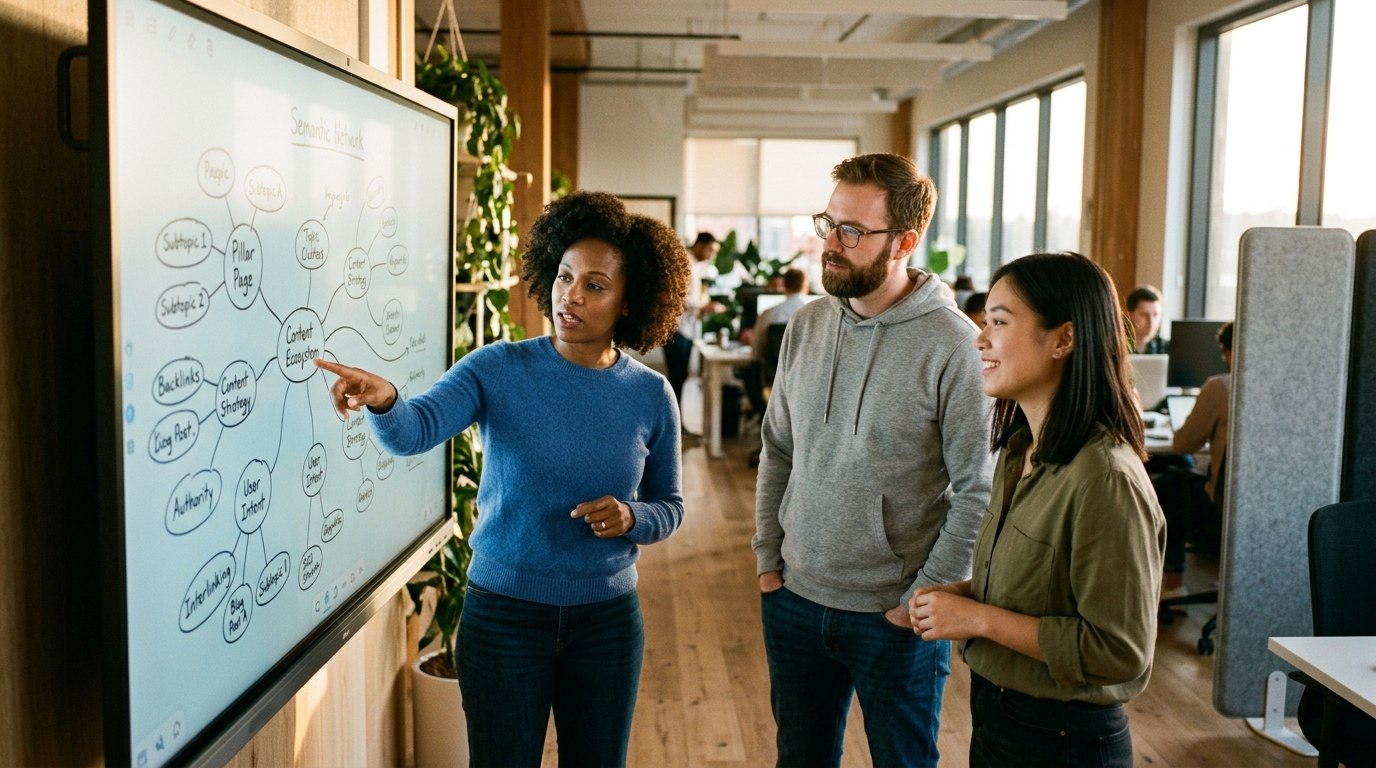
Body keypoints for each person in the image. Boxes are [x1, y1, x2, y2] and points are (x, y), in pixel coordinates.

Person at [314, 191, 690, 768]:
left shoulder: (649, 394)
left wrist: (632, 517)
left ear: (628, 300)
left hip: (606, 625)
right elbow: (413, 431)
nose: (570, 296)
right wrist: (385, 399)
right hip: (504, 617)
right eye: (564, 276)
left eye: (595, 284)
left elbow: (670, 505)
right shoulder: (497, 368)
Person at [753, 153, 994, 768]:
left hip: (895, 618)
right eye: (828, 223)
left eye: (853, 231)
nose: (831, 244)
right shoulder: (807, 325)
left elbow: (977, 489)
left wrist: (922, 596)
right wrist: (767, 561)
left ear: (906, 241)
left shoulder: (955, 345)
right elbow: (778, 446)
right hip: (795, 598)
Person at [909, 252, 1166, 768]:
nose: (980, 339)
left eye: (999, 323)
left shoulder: (1105, 480)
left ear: (1063, 340)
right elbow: (1043, 590)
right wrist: (961, 596)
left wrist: (979, 617)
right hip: (1001, 718)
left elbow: (1118, 650)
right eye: (984, 322)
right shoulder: (1018, 451)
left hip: (1063, 740)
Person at [1158, 321, 1233, 593]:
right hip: (1264, 507)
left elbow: (1182, 444)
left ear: (1228, 351)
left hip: (1222, 506)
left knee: (1169, 486)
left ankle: (1173, 583)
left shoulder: (1220, 386)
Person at [663, 232, 724, 406]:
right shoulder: (684, 264)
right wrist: (705, 307)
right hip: (678, 327)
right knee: (676, 377)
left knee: (680, 378)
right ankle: (673, 422)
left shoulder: (695, 265)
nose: (711, 255)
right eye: (710, 250)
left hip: (686, 327)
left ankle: (677, 421)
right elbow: (678, 297)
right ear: (700, 245)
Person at [750, 268, 810, 362]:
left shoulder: (768, 314)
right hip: (805, 373)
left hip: (773, 374)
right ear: (806, 287)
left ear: (784, 286)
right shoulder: (815, 315)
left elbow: (755, 352)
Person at [1127, 285, 1168, 354]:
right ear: (1130, 315)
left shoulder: (1168, 348)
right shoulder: (1116, 345)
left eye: (1155, 315)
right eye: (1144, 315)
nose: (1151, 321)